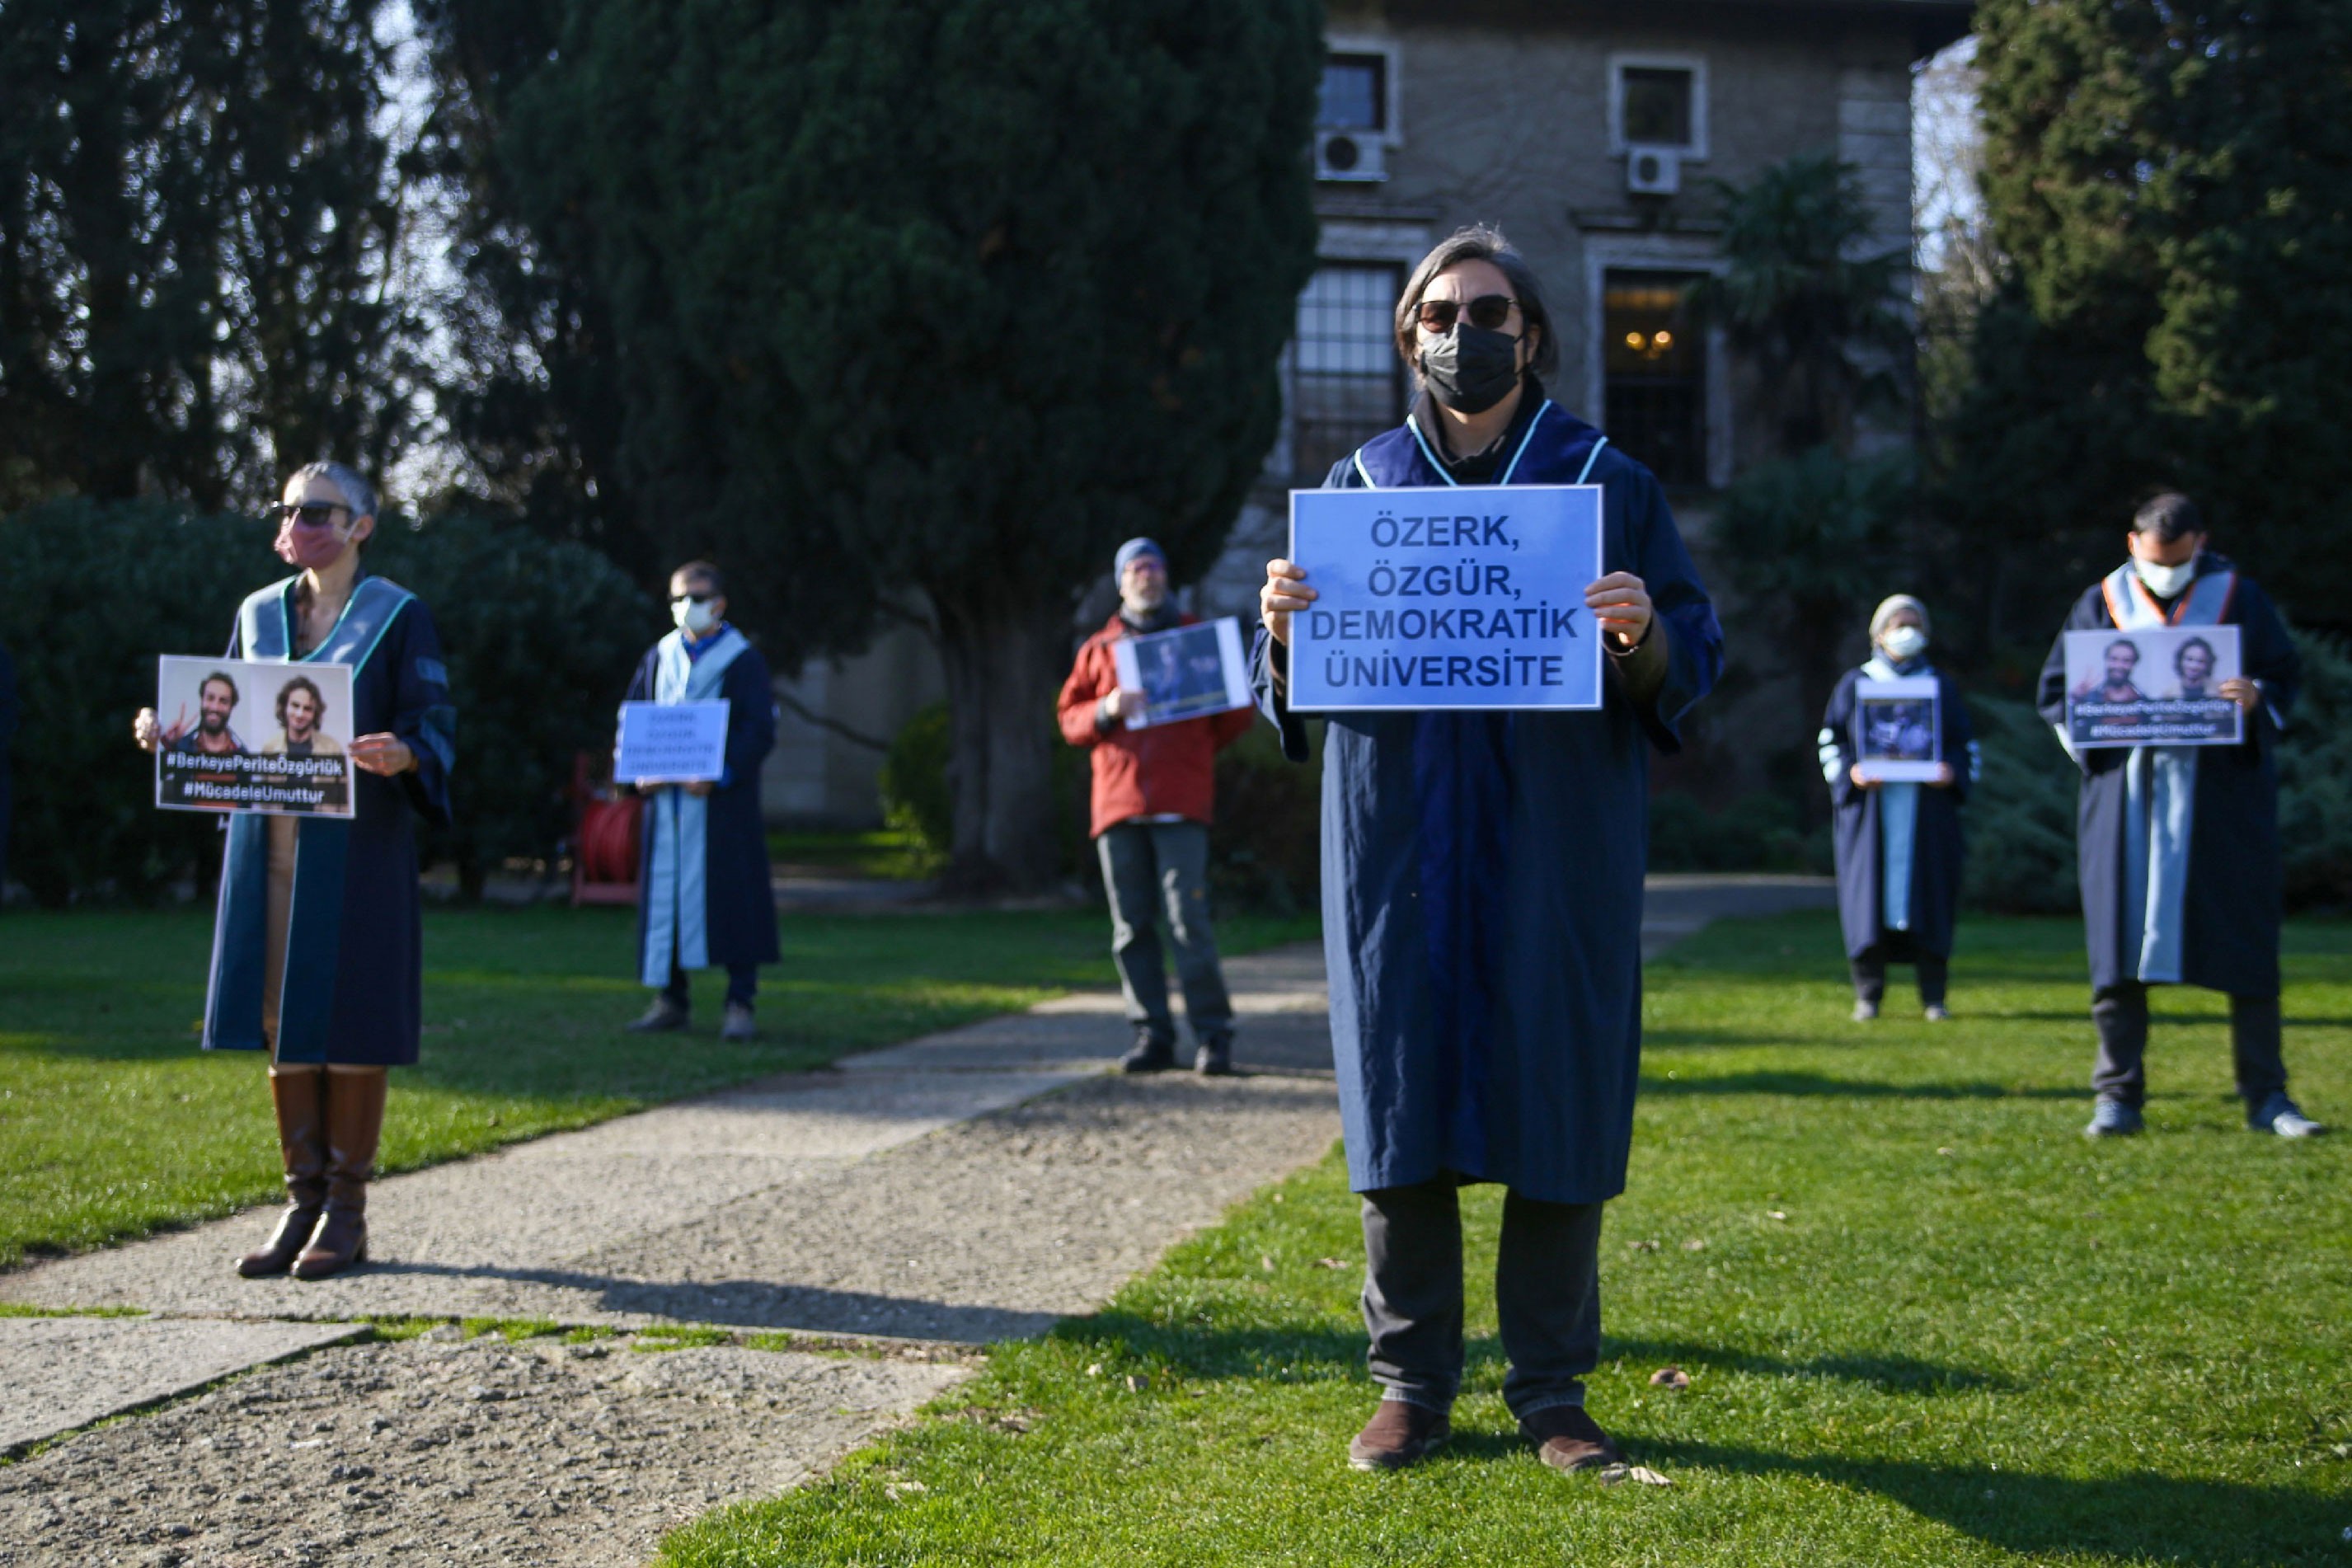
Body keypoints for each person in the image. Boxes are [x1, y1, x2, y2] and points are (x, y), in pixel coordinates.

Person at [1254, 227, 1722, 1474]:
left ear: (1533, 332)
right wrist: (1286, 634)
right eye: (1445, 312)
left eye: (1495, 311)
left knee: (1555, 1089)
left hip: (1555, 837)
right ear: (1409, 335)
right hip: (1398, 837)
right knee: (1401, 1091)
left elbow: (1692, 646)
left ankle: (1553, 1390)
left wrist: (1640, 637)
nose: (1470, 334)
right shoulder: (1357, 489)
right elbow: (1296, 689)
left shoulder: (1603, 479)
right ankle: (1411, 1383)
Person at [134, 461, 455, 1279]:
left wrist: (409, 751)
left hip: (356, 847)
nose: (299, 521)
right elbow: (228, 719)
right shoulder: (257, 614)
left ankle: (346, 1210)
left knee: (348, 1006)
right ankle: (300, 1200)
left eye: (318, 509)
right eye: (287, 508)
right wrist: (168, 737)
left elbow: (435, 721)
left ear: (362, 526)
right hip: (267, 845)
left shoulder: (399, 616)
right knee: (280, 1013)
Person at [2035, 491, 2322, 1138]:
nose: (2162, 571)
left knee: (2245, 945)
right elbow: (2055, 693)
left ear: (2200, 543)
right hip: (2126, 798)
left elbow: (2284, 676)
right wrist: (2092, 720)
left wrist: (2258, 697)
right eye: (2150, 557)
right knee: (2115, 949)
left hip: (2220, 800)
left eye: (2176, 557)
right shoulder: (2099, 602)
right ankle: (2117, 1095)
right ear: (2131, 544)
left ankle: (2267, 1096)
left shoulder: (2238, 598)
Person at [1057, 538, 1256, 1073]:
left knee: (1188, 922)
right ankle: (1152, 1036)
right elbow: (1069, 719)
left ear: (1166, 578)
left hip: (1181, 805)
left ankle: (1214, 1037)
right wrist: (1104, 709)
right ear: (1122, 581)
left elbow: (1235, 715)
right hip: (1118, 809)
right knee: (1132, 929)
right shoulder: (1098, 650)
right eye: (1136, 568)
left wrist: (1190, 751)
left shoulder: (1196, 641)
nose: (1147, 576)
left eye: (1155, 567)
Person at [622, 561, 779, 1042]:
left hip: (722, 807)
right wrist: (635, 773)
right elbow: (634, 717)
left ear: (720, 602)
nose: (686, 606)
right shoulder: (660, 655)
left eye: (697, 596)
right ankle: (670, 999)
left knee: (735, 899)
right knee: (665, 900)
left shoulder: (742, 659)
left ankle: (739, 1002)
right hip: (667, 807)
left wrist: (722, 773)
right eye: (678, 597)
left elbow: (760, 730)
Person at [1819, 596, 1978, 1022]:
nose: (1906, 632)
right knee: (1866, 904)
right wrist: (1850, 773)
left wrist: (1952, 773)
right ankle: (1868, 995)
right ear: (1879, 632)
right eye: (1898, 624)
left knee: (1931, 901)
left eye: (1914, 624)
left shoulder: (1939, 685)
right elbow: (1831, 740)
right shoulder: (1856, 683)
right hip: (1871, 815)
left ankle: (1934, 997)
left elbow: (1965, 744)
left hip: (1927, 814)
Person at [261, 674, 350, 814]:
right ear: (284, 707)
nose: (300, 714)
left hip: (321, 828)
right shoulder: (270, 748)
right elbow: (264, 803)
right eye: (295, 706)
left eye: (307, 709)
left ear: (315, 713)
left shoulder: (333, 749)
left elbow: (345, 803)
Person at [2073, 638, 2146, 703]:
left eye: (2126, 660)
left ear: (2134, 664)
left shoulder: (2144, 702)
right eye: (2114, 659)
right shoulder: (2089, 699)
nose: (2119, 666)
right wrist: (2075, 700)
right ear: (2106, 660)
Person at [2171, 636, 2218, 701]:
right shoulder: (2169, 694)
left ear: (2208, 664)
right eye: (2189, 659)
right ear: (2180, 661)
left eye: (2201, 661)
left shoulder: (2219, 691)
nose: (2194, 666)